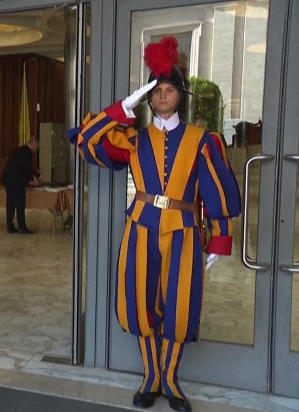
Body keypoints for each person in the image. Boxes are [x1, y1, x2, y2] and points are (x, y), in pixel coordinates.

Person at [69, 36, 241, 412]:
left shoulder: (201, 140)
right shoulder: (133, 138)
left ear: (180, 95)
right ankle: (151, 377)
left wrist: (220, 238)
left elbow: (216, 190)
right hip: (141, 227)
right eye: (156, 91)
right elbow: (86, 140)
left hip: (184, 229)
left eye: (169, 90)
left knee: (180, 307)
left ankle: (171, 381)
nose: (163, 95)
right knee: (140, 302)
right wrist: (123, 107)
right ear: (149, 97)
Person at [1, 137, 40, 234]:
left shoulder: (20, 149)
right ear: (33, 144)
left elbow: (19, 167)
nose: (36, 149)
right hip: (16, 182)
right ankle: (22, 227)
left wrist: (31, 178)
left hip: (8, 179)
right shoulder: (27, 152)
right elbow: (26, 168)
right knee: (19, 204)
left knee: (10, 203)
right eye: (37, 146)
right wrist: (36, 176)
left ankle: (10, 226)